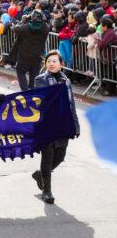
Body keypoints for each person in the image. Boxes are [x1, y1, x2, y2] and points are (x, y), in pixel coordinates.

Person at [32, 50, 80, 204]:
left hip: (63, 124)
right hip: (46, 125)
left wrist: (76, 125)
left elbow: (71, 103)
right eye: (49, 61)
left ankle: (40, 175)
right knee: (48, 158)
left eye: (54, 61)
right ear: (45, 64)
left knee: (60, 156)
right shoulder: (40, 79)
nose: (51, 64)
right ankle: (47, 191)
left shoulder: (66, 80)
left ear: (61, 64)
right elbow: (40, 101)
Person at [11, 10, 50, 91]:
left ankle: (25, 91)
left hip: (23, 56)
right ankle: (32, 91)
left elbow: (14, 29)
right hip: (37, 56)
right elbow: (45, 24)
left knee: (20, 72)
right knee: (34, 75)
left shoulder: (24, 28)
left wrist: (23, 21)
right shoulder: (45, 29)